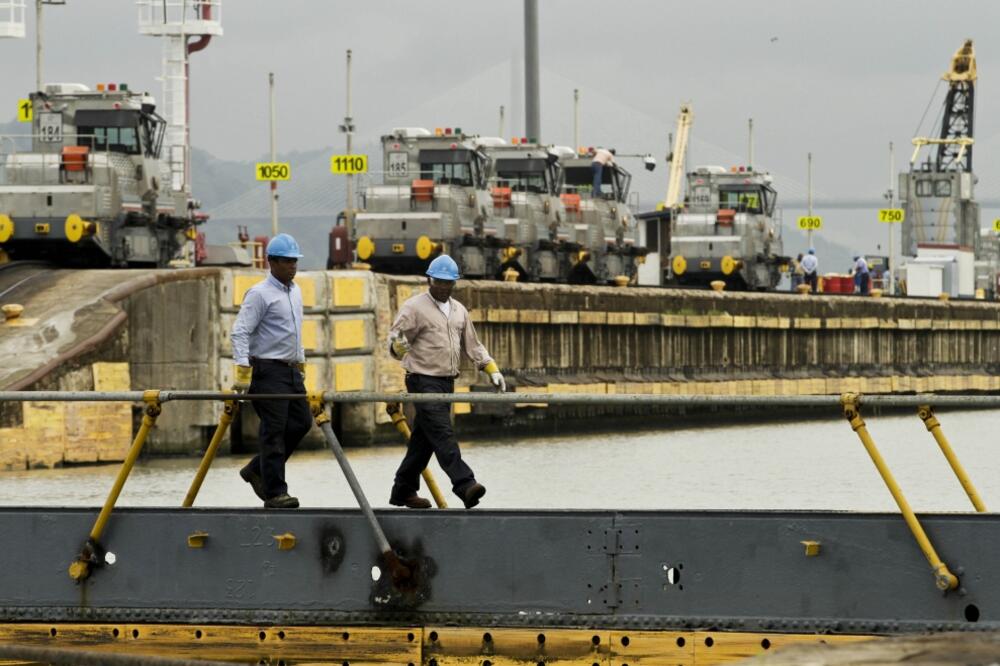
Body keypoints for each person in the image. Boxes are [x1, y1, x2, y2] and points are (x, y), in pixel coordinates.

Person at [387, 254, 505, 509]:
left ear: (454, 283)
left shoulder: (459, 310)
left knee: (424, 439)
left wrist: (491, 368)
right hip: (422, 380)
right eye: (438, 281)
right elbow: (395, 340)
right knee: (441, 433)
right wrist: (398, 347)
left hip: (446, 383)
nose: (442, 286)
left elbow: (472, 345)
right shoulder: (414, 308)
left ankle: (403, 490)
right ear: (430, 280)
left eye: (447, 283)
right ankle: (465, 484)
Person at [231, 233, 310, 509]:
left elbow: (296, 331)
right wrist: (243, 368)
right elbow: (240, 331)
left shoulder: (296, 292)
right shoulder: (260, 294)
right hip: (267, 370)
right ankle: (275, 491)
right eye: (288, 261)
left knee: (302, 423)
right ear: (272, 262)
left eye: (295, 261)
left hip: (290, 370)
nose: (293, 266)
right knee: (274, 430)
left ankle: (257, 469)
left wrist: (300, 361)